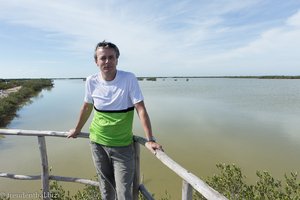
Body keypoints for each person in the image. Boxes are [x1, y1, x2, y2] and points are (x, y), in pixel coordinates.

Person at [67, 41, 162, 200]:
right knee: (106, 189)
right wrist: (76, 130)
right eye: (102, 58)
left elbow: (140, 109)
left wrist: (150, 139)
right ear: (96, 61)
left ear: (117, 59)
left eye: (111, 57)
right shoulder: (91, 81)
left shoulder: (128, 78)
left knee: (124, 192)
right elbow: (86, 107)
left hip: (122, 146)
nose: (107, 61)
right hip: (97, 143)